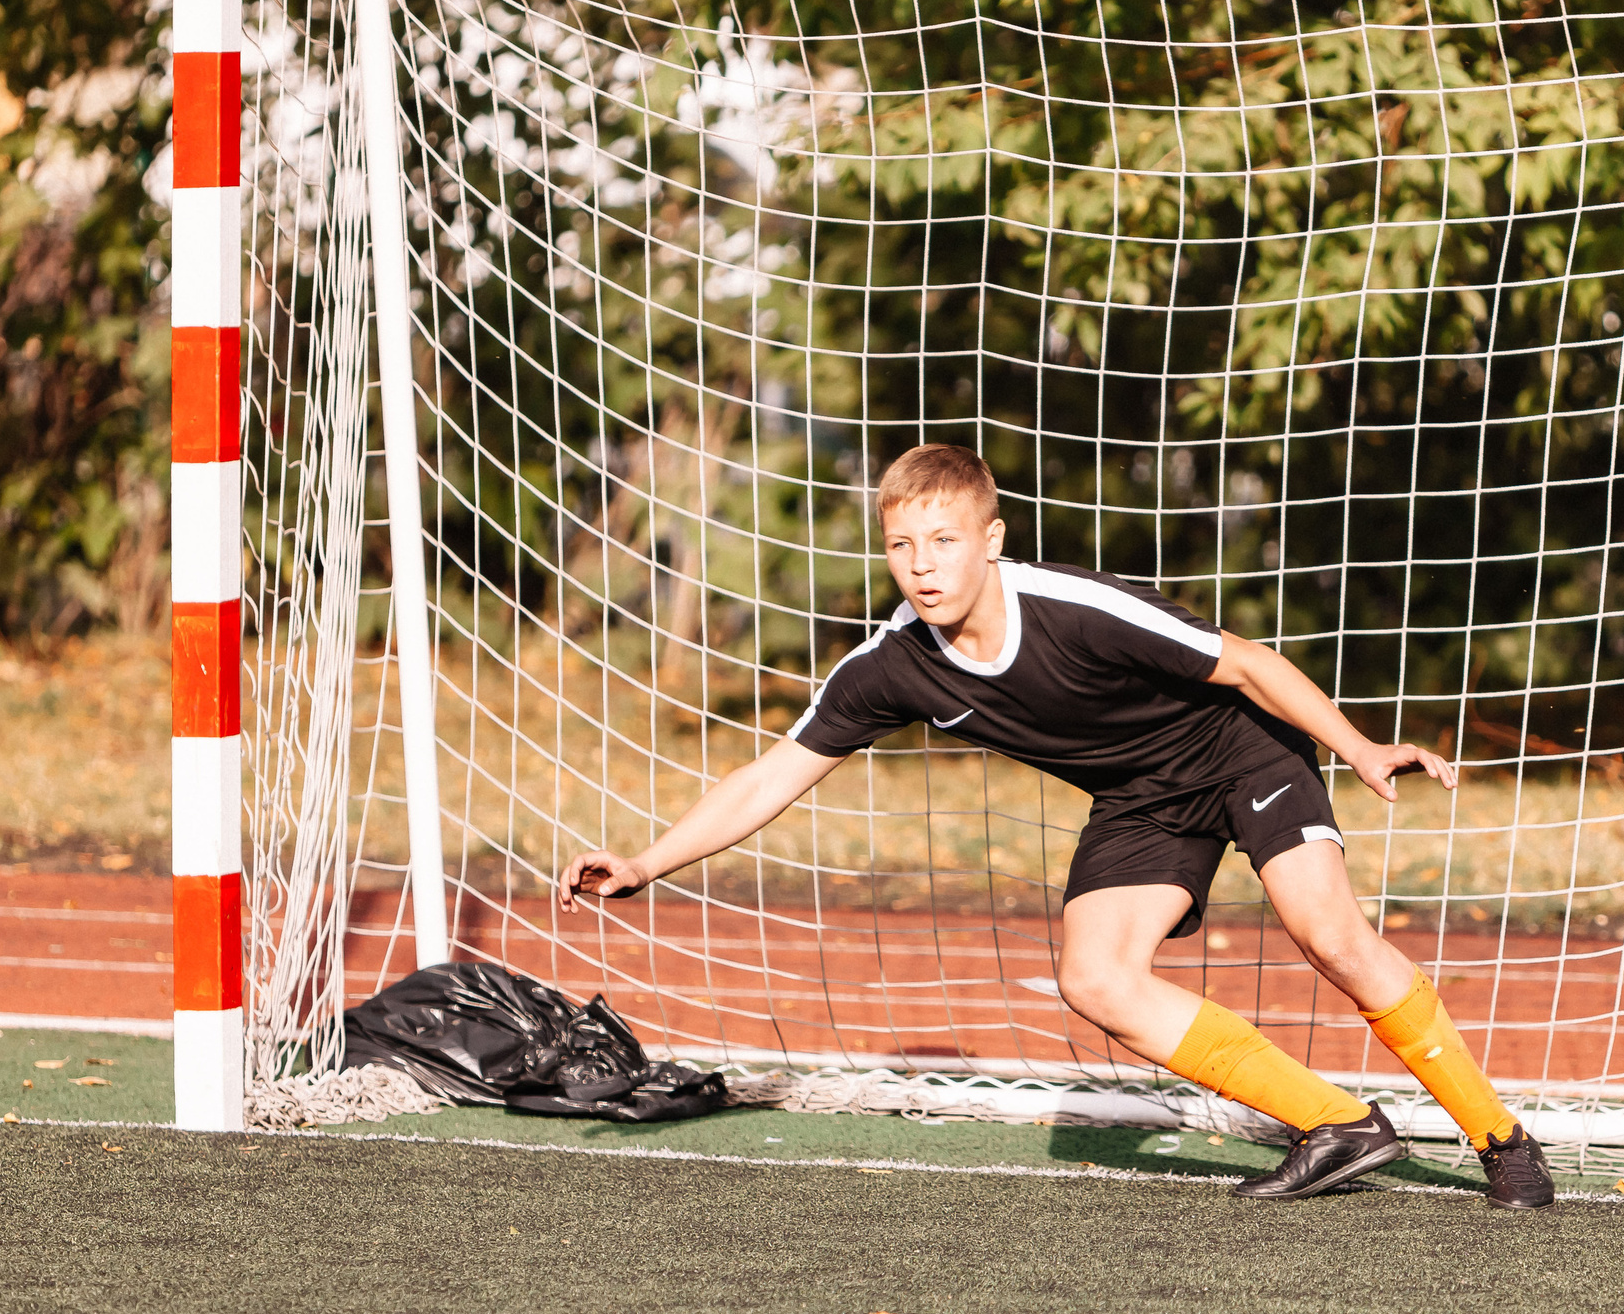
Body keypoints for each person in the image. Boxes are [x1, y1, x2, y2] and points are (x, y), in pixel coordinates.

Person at [556, 444, 1554, 1209]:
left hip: (1241, 751)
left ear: (989, 540)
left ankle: (1500, 1140)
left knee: (1328, 934)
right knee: (1094, 978)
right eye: (901, 545)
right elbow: (775, 772)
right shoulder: (891, 665)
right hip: (1138, 796)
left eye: (942, 541)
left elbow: (1247, 664)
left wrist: (1357, 748)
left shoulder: (1074, 608)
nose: (920, 565)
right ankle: (1335, 1123)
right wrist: (648, 859)